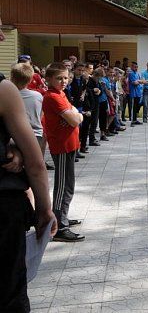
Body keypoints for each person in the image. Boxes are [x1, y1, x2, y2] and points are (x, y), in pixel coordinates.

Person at [0, 68, 57, 311]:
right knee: (9, 293)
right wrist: (44, 210)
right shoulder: (3, 91)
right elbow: (36, 163)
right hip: (3, 211)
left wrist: (9, 145)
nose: (2, 35)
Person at [42, 63, 85, 242]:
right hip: (61, 146)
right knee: (62, 187)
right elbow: (75, 119)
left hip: (71, 144)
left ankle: (63, 216)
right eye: (59, 78)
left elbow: (74, 114)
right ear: (49, 80)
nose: (63, 81)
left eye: (66, 78)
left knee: (69, 184)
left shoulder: (61, 93)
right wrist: (77, 116)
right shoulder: (52, 96)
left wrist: (76, 115)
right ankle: (59, 225)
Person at [128, 62, 144, 126]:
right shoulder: (131, 73)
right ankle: (132, 121)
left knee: (136, 107)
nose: (136, 68)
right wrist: (139, 81)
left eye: (137, 67)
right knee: (132, 108)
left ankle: (135, 119)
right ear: (132, 67)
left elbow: (140, 81)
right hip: (133, 93)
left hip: (138, 93)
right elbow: (135, 83)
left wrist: (139, 81)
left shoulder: (137, 73)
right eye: (134, 67)